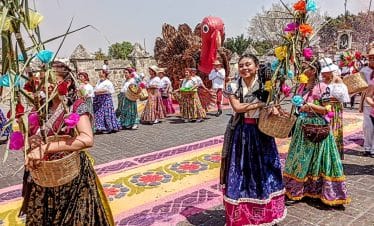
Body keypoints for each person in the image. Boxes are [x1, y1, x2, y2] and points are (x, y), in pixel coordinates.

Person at [20, 61, 114, 225]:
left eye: (50, 80)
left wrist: (46, 147)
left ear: (67, 82)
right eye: (42, 80)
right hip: (44, 175)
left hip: (71, 176)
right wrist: (32, 141)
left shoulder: (76, 105)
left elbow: (87, 138)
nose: (45, 85)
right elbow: (32, 135)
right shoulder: (41, 107)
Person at [220, 54, 286, 225]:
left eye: (248, 64)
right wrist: (261, 104)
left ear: (256, 66)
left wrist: (274, 109)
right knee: (241, 171)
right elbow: (238, 107)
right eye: (241, 65)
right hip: (241, 132)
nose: (244, 68)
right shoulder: (233, 86)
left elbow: (275, 108)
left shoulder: (267, 86)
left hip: (262, 132)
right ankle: (241, 215)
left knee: (264, 170)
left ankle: (266, 212)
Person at [283, 61, 350, 206]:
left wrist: (310, 106)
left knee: (319, 160)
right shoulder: (302, 86)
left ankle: (320, 191)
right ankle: (298, 190)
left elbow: (329, 109)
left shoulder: (323, 87)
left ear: (313, 70)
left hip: (317, 127)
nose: (302, 69)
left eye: (305, 67)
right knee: (300, 159)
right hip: (302, 127)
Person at [319, 57, 350, 159]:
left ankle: (333, 153)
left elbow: (343, 96)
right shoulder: (321, 80)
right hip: (323, 107)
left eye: (326, 72)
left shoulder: (337, 79)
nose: (323, 75)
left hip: (334, 108)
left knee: (333, 129)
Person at [360, 48, 374, 157]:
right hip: (367, 101)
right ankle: (367, 147)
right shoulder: (364, 71)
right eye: (370, 58)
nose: (372, 60)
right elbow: (359, 87)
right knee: (367, 126)